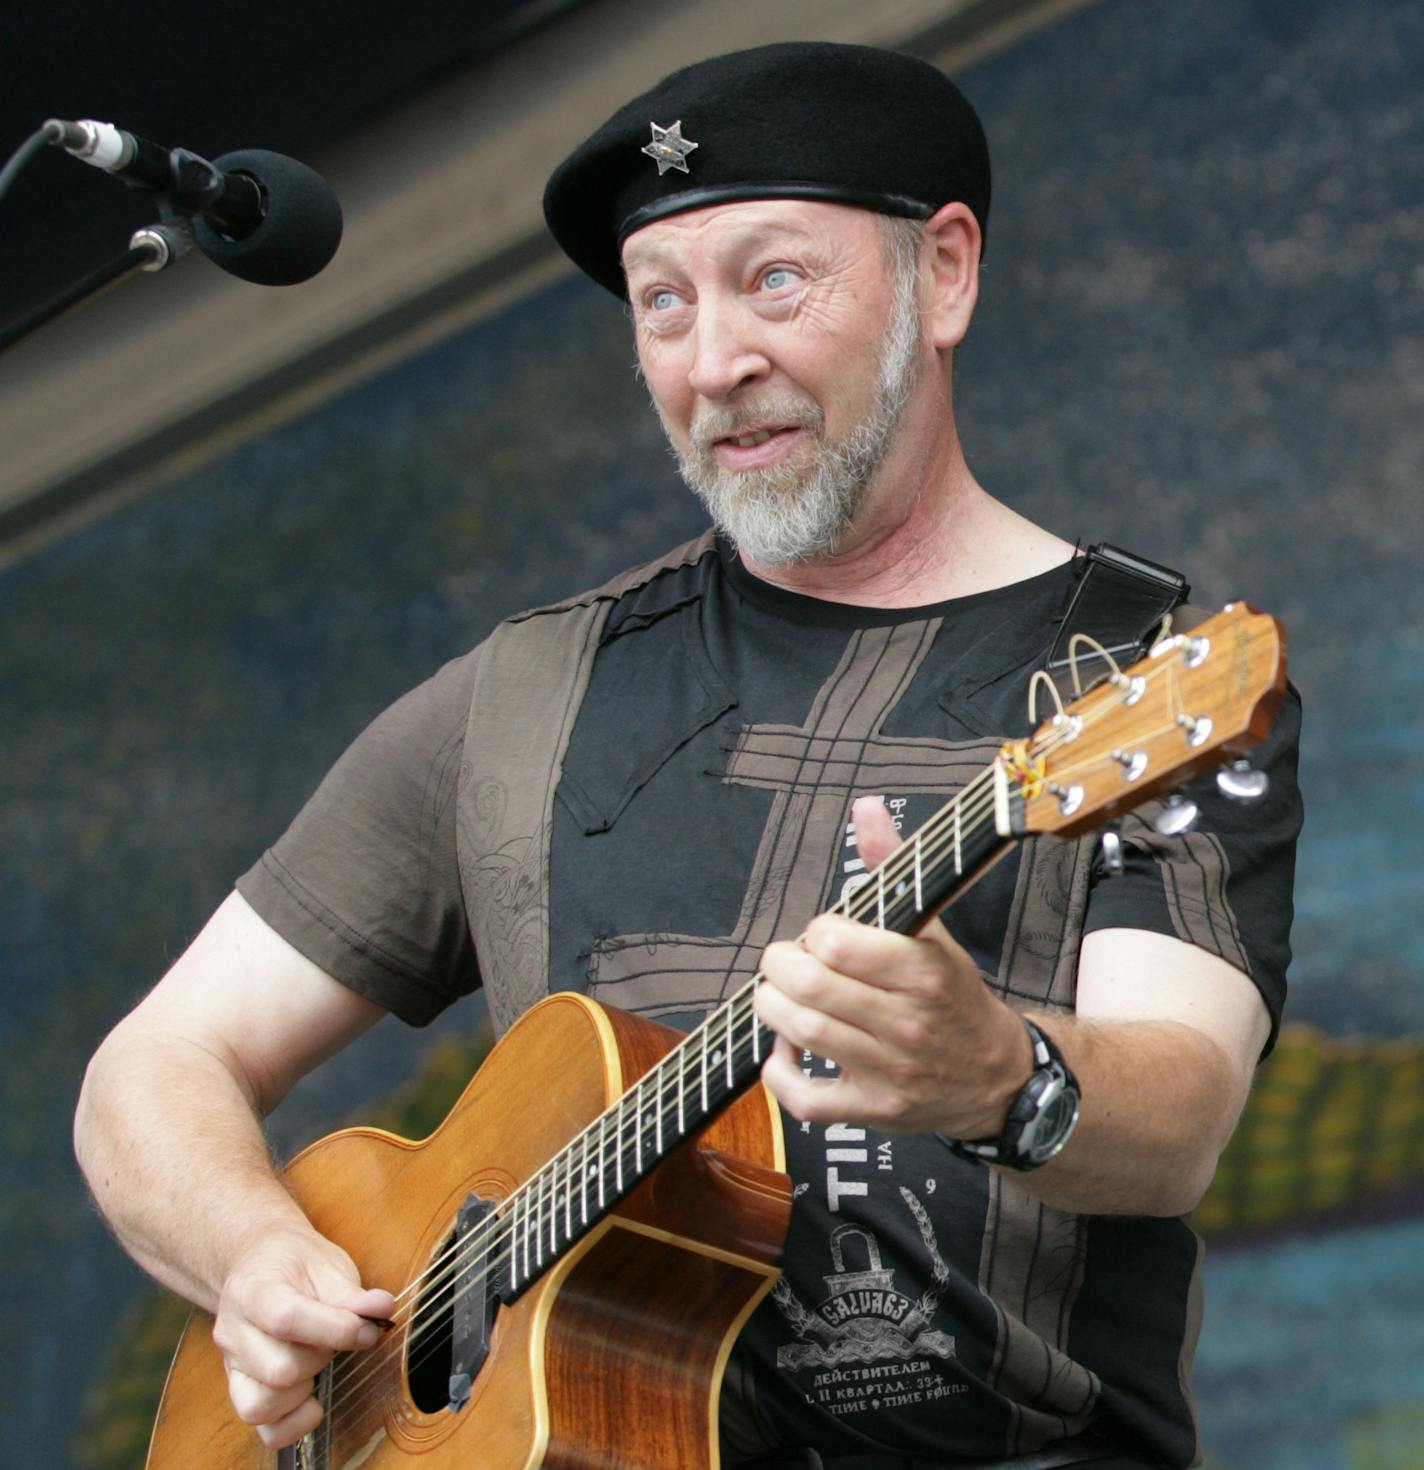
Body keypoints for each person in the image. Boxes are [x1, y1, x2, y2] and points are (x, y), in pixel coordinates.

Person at [73, 41, 1301, 1470]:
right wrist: (252, 1256)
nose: (716, 361)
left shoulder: (1140, 672)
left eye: (775, 279)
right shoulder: (518, 696)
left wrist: (1001, 1073)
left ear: (944, 274)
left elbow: (1181, 1110)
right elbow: (152, 1067)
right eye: (665, 303)